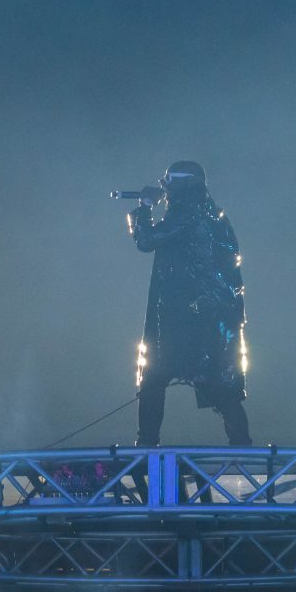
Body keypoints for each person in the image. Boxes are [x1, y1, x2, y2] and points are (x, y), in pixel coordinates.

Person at [126, 161, 252, 446]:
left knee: (156, 380)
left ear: (182, 185)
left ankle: (145, 447)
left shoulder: (189, 214)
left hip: (189, 318)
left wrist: (145, 207)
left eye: (169, 182)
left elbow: (147, 240)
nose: (165, 188)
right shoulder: (209, 212)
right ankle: (242, 447)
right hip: (201, 314)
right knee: (214, 386)